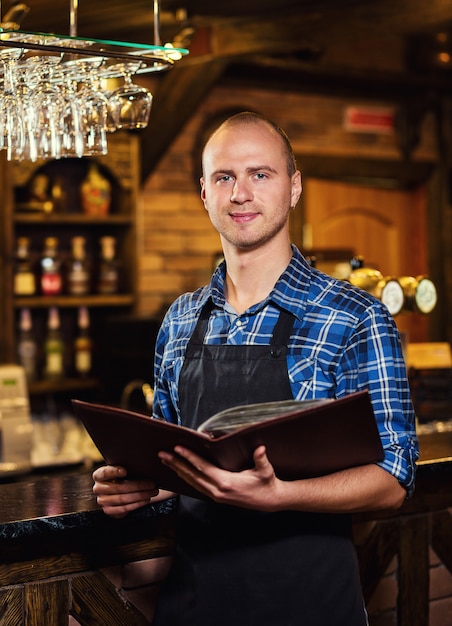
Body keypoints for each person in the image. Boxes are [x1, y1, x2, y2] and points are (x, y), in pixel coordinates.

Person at [93, 111, 418, 626]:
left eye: (260, 174)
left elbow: (393, 478)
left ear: (294, 187)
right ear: (204, 193)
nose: (241, 193)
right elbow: (177, 456)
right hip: (195, 604)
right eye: (225, 177)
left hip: (310, 605)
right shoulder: (180, 320)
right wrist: (140, 483)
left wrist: (281, 495)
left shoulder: (354, 317)